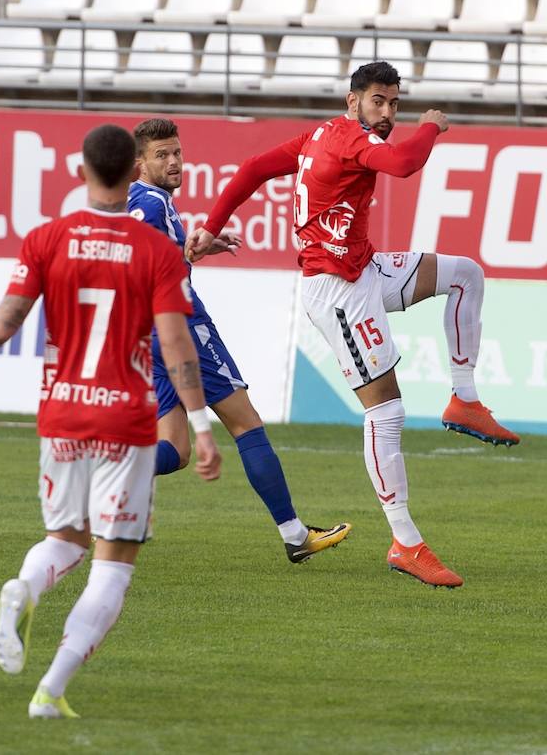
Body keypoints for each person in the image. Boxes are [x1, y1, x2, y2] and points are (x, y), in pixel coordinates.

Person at [187, 61, 520, 589]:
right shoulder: (352, 142)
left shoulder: (318, 136)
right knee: (386, 411)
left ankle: (464, 399)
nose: (387, 114)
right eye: (378, 102)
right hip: (338, 290)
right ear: (353, 101)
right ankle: (406, 542)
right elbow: (407, 163)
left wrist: (210, 228)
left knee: (466, 275)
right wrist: (431, 123)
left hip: (363, 268)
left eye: (395, 104)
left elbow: (252, 168)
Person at [0, 124, 222, 719]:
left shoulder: (47, 238)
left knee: (64, 541)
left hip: (62, 415)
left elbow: (3, 322)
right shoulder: (159, 253)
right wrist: (201, 424)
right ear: (133, 171)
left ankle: (26, 589)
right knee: (113, 565)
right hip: (126, 423)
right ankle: (51, 690)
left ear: (83, 171)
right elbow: (175, 346)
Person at [128, 117, 351, 563]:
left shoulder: (136, 202)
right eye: (161, 156)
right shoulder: (153, 205)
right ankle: (294, 534)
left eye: (177, 152)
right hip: (183, 329)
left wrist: (198, 248)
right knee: (246, 424)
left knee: (175, 448)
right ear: (140, 164)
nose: (174, 162)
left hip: (147, 333)